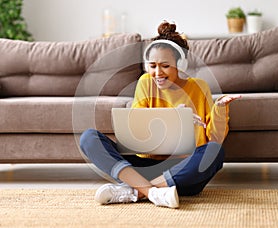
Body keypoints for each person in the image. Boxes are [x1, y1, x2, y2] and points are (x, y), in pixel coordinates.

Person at [80, 21, 241, 209]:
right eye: (153, 66)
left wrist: (220, 110)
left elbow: (215, 139)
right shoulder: (145, 82)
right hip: (145, 165)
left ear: (180, 65)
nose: (157, 73)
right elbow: (137, 134)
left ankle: (134, 191)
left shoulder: (199, 88)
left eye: (165, 65)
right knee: (89, 138)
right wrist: (173, 117)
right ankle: (153, 192)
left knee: (214, 152)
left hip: (182, 170)